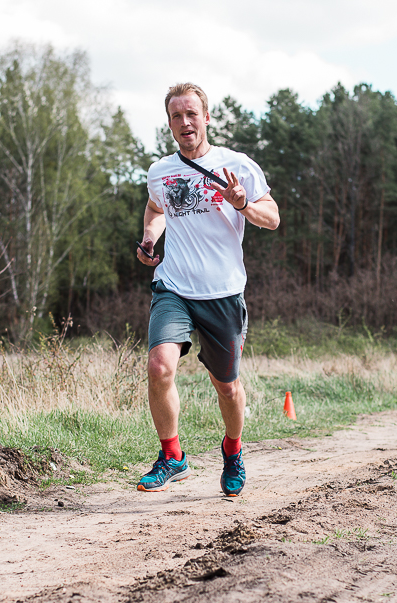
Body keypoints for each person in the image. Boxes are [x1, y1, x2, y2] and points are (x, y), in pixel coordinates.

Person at [135, 82, 280, 496]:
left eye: (191, 114)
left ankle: (233, 451)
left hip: (223, 293)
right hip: (174, 287)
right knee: (159, 367)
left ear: (207, 117)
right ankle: (172, 457)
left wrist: (243, 204)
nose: (185, 122)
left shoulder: (237, 165)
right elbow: (156, 207)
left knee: (227, 388)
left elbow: (272, 218)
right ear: (169, 123)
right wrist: (150, 237)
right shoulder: (160, 171)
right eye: (176, 116)